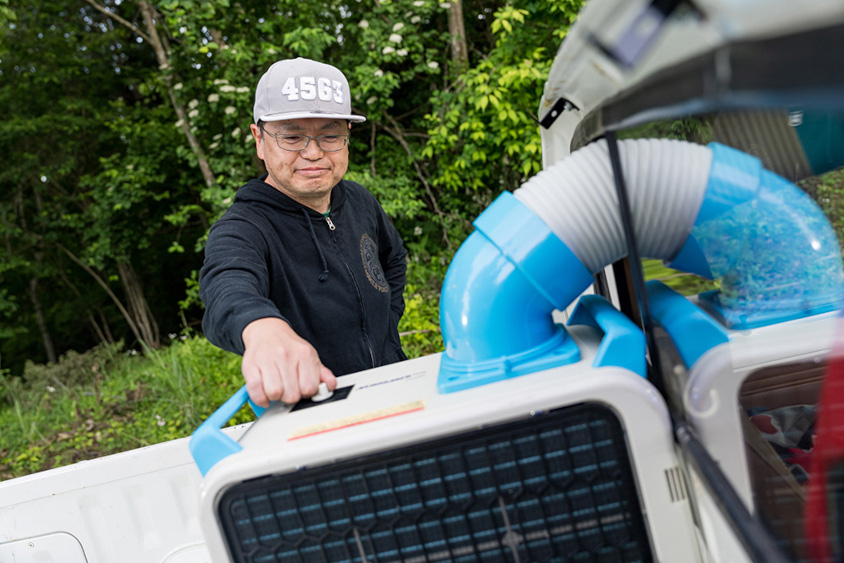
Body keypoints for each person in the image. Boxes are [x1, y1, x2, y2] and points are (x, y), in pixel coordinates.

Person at [199, 58, 408, 408]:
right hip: (310, 412)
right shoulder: (243, 228)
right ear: (259, 140)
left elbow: (394, 259)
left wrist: (385, 328)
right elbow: (227, 285)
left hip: (390, 386)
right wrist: (262, 328)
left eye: (330, 135)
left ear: (347, 137)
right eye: (292, 136)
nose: (313, 153)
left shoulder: (358, 200)